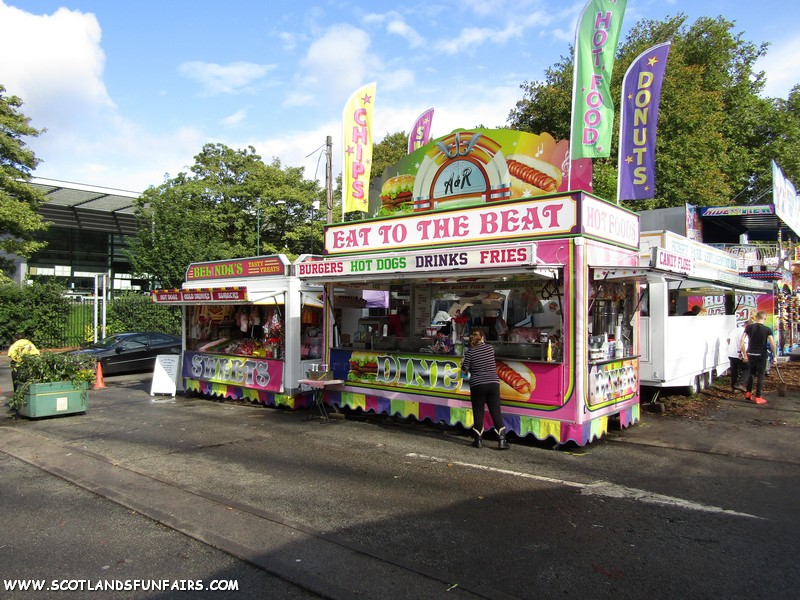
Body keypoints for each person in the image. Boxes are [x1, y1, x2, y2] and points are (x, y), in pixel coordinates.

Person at [460, 329, 509, 450]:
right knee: (496, 412)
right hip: (493, 383)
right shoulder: (490, 348)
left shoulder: (470, 352)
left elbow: (465, 368)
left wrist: (463, 364)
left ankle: (478, 440)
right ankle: (502, 441)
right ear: (482, 338)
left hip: (477, 385)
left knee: (478, 412)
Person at [739, 311, 777, 405]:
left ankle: (748, 393)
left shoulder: (749, 327)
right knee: (760, 375)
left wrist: (741, 352)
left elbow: (742, 339)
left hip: (750, 353)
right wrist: (775, 356)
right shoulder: (767, 329)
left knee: (751, 373)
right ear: (765, 318)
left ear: (756, 317)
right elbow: (772, 343)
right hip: (761, 354)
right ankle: (758, 397)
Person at [726, 320, 749, 392]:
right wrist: (744, 354)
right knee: (747, 369)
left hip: (731, 353)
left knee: (734, 371)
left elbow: (728, 340)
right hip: (739, 354)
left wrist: (732, 346)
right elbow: (742, 344)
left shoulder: (735, 330)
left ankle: (734, 388)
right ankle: (740, 384)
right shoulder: (744, 332)